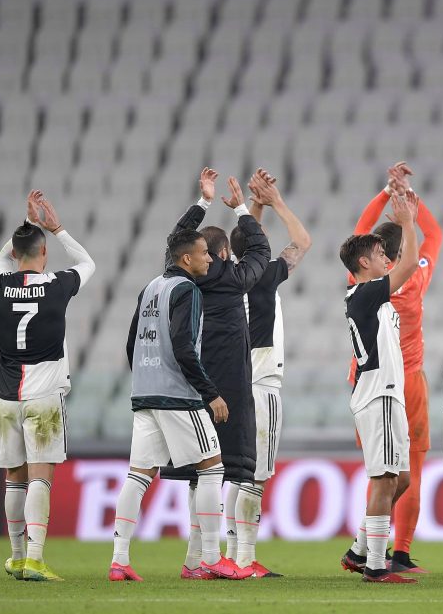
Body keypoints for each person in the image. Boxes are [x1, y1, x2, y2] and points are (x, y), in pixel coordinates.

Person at [157, 168, 271, 580]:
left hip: (189, 384)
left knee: (198, 474)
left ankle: (194, 559)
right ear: (222, 255)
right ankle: (210, 558)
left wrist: (202, 201)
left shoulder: (180, 277)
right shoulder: (232, 279)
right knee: (217, 472)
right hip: (228, 388)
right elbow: (260, 250)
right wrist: (241, 206)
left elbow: (175, 242)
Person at [110, 230, 242, 581]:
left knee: (138, 476)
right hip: (178, 396)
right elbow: (184, 346)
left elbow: (130, 343)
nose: (210, 258)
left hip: (145, 394)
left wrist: (147, 376)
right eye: (203, 253)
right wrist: (210, 393)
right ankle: (209, 558)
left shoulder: (150, 287)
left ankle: (119, 560)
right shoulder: (188, 291)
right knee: (212, 468)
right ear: (187, 259)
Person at [0, 191, 95, 582]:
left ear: (16, 254)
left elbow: (7, 257)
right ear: (44, 253)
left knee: (13, 476)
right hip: (44, 398)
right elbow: (88, 263)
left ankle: (17, 556)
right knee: (39, 477)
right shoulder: (56, 284)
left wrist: (25, 227)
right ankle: (35, 557)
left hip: (6, 397)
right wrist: (57, 228)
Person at [348, 161, 443, 573]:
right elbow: (434, 236)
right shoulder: (414, 277)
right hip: (404, 381)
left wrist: (388, 193)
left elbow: (357, 236)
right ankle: (394, 553)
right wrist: (410, 205)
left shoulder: (359, 284)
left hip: (364, 379)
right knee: (407, 471)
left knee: (384, 473)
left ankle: (365, 548)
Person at [228, 168, 312, 576]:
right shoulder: (263, 277)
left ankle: (230, 555)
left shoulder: (226, 278)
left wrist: (253, 206)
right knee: (255, 476)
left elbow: (248, 244)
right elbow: (303, 242)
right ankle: (245, 558)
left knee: (236, 472)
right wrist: (275, 201)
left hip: (235, 380)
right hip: (263, 382)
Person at [339, 190, 421, 584]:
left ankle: (359, 548)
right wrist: (407, 222)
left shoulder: (371, 297)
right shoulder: (366, 293)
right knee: (385, 478)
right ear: (362, 263)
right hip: (379, 395)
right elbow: (407, 267)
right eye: (378, 253)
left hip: (388, 394)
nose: (385, 256)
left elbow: (404, 270)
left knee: (400, 478)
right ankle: (374, 565)